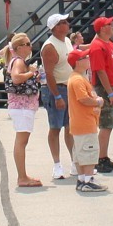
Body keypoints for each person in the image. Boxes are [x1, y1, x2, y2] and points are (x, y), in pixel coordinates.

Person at [64, 47, 106, 193]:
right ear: (78, 62)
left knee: (80, 153)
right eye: (84, 58)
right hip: (84, 123)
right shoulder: (77, 79)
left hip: (81, 123)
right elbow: (83, 99)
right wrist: (98, 101)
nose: (88, 59)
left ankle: (82, 179)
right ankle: (88, 181)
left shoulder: (78, 77)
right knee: (89, 152)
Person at [3, 33, 43, 188]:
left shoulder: (18, 61)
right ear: (19, 47)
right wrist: (31, 73)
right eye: (27, 44)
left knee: (22, 141)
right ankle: (22, 177)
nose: (30, 46)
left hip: (22, 107)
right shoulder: (19, 61)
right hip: (22, 107)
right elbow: (16, 78)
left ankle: (23, 175)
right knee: (21, 142)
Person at [39, 14, 76, 180]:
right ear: (55, 28)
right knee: (55, 127)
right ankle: (57, 165)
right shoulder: (50, 47)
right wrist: (57, 96)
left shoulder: (66, 41)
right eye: (63, 22)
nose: (67, 24)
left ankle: (75, 162)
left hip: (69, 88)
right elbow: (49, 74)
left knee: (71, 127)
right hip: (57, 89)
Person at [88, 17, 113, 171]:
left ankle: (104, 156)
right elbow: (100, 71)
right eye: (109, 24)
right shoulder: (97, 46)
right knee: (105, 124)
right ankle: (99, 158)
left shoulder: (110, 45)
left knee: (109, 125)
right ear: (102, 28)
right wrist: (110, 94)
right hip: (105, 89)